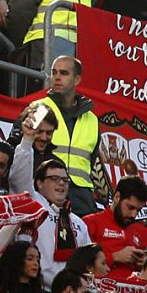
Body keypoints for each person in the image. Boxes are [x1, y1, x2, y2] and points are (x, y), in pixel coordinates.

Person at [41, 55, 99, 215]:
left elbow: (91, 159)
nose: (57, 77)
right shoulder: (39, 108)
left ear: (77, 79)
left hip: (81, 198)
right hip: (47, 190)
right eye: (54, 72)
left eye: (64, 73)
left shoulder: (92, 119)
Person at [81, 176, 147, 277]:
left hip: (131, 285)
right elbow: (80, 262)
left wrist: (142, 265)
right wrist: (115, 257)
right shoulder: (90, 222)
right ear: (117, 197)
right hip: (100, 286)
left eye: (138, 210)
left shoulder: (136, 232)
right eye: (130, 207)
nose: (134, 215)